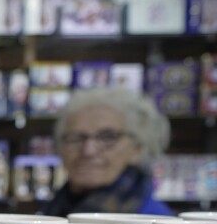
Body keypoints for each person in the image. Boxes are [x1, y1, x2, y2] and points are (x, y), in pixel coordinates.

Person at [40, 87, 173, 216]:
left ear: (136, 148)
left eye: (108, 137)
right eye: (75, 138)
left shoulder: (155, 222)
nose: (88, 151)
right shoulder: (53, 210)